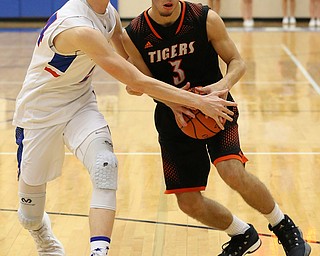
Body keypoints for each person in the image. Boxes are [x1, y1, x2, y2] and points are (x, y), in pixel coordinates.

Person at [12, 0, 238, 255]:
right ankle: (43, 237)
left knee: (105, 165)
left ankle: (99, 252)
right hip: (39, 114)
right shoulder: (78, 27)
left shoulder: (109, 13)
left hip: (79, 104)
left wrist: (155, 91)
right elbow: (133, 78)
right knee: (29, 215)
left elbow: (129, 59)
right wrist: (198, 102)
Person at [122, 0, 311, 255]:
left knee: (231, 171)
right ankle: (242, 234)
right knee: (188, 203)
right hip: (173, 116)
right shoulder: (134, 33)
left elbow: (237, 62)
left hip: (217, 108)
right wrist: (164, 100)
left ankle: (283, 225)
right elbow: (143, 83)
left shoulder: (203, 18)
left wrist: (222, 86)